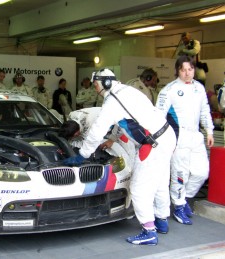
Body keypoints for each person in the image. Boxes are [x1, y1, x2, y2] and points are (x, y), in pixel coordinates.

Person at [63, 68, 176, 246]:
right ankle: (162, 220)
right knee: (160, 181)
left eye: (96, 85)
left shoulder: (112, 101)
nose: (96, 89)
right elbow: (124, 121)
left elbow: (97, 132)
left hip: (152, 144)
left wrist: (82, 155)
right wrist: (114, 138)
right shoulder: (128, 91)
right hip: (166, 136)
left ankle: (149, 231)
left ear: (105, 83)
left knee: (138, 188)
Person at [156, 55, 214, 225]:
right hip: (178, 136)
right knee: (179, 174)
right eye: (183, 70)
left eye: (190, 69)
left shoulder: (199, 88)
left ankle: (182, 198)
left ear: (194, 70)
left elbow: (205, 110)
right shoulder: (169, 89)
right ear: (178, 71)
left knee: (202, 172)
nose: (187, 73)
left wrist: (209, 131)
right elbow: (158, 116)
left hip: (196, 136)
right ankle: (180, 205)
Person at [59, 107, 136, 169]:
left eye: (75, 136)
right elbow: (69, 134)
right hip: (99, 123)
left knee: (128, 155)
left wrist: (112, 139)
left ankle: (132, 170)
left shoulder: (93, 125)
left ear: (78, 133)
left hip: (119, 127)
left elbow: (120, 121)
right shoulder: (71, 116)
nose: (73, 138)